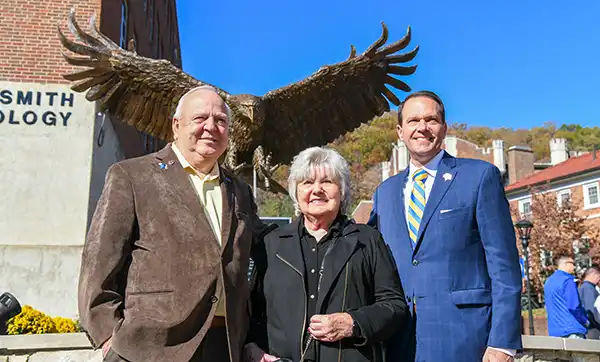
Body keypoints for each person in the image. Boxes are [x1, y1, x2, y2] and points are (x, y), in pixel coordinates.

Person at [78, 86, 268, 362]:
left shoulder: (239, 191)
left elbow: (263, 248)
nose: (211, 127)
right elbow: (99, 259)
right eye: (200, 118)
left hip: (224, 346)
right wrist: (109, 336)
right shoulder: (132, 176)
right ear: (176, 126)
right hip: (149, 347)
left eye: (221, 121)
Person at [368, 90, 522, 361]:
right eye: (413, 121)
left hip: (466, 339)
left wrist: (503, 342)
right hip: (399, 343)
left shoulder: (479, 176)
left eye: (431, 120)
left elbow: (504, 265)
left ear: (444, 128)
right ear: (399, 131)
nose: (422, 128)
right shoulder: (384, 193)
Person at [244, 146, 407, 362]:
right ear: (296, 191)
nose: (317, 190)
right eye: (307, 183)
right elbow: (251, 311)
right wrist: (252, 347)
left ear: (342, 190)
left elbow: (394, 307)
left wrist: (353, 323)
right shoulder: (271, 244)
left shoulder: (367, 240)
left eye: (327, 182)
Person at [544, 255, 590, 339]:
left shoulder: (548, 281)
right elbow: (573, 306)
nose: (574, 266)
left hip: (555, 330)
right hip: (572, 328)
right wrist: (585, 321)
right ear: (565, 264)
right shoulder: (568, 280)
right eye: (572, 263)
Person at [578, 265, 600, 339]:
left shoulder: (583, 287)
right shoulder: (589, 288)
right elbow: (591, 310)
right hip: (593, 328)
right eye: (599, 277)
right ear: (594, 275)